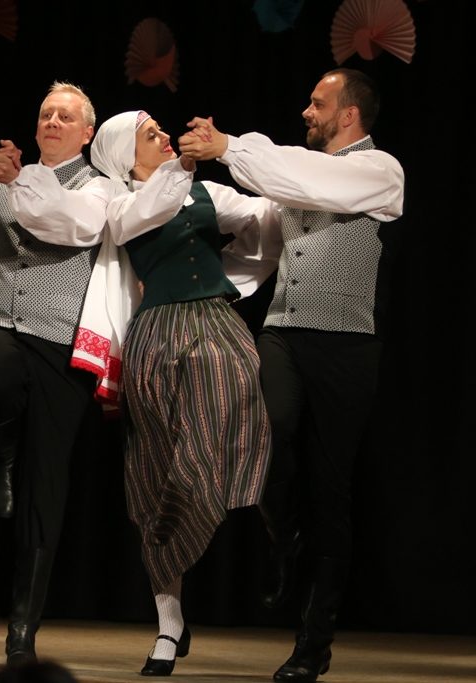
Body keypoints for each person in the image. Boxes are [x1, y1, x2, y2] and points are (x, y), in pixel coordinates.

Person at [177, 68, 405, 683]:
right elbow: (260, 242)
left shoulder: (380, 172)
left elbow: (309, 180)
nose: (307, 111)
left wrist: (231, 147)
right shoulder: (296, 177)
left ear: (349, 114)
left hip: (347, 344)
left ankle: (314, 641)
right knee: (267, 437)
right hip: (283, 331)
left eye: (317, 103)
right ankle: (285, 536)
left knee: (331, 490)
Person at [90, 110, 280, 676]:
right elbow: (148, 212)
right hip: (155, 334)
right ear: (125, 155)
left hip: (215, 325)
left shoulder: (204, 190)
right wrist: (184, 166)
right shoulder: (117, 201)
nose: (164, 138)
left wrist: (232, 275)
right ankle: (169, 622)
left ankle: (269, 537)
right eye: (150, 136)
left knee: (210, 444)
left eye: (161, 131)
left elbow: (266, 221)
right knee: (155, 472)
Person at [0, 81, 117, 665]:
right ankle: (1, 446)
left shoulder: (100, 187)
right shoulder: (5, 181)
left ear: (86, 133)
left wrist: (16, 181)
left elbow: (67, 224)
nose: (52, 122)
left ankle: (22, 627)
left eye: (65, 117)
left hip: (60, 337)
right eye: (46, 114)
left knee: (46, 482)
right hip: (2, 317)